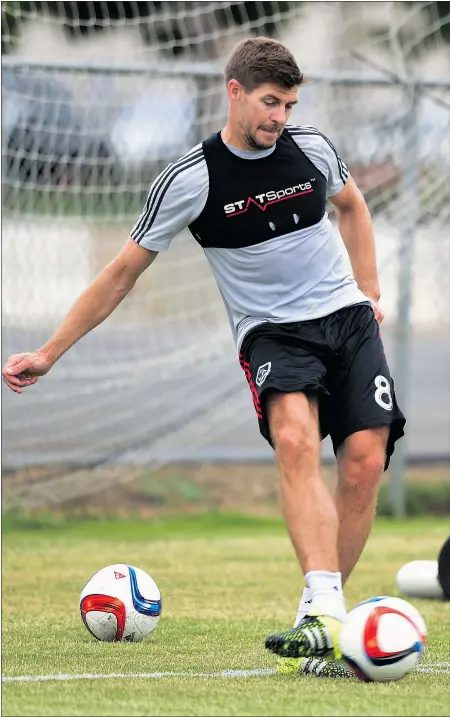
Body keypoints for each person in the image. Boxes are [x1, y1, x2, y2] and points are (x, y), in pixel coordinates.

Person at [2, 37, 405, 679]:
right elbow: (119, 273)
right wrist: (49, 353)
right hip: (273, 334)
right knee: (296, 440)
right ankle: (329, 610)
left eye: (290, 104)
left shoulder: (314, 149)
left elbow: (352, 207)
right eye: (270, 102)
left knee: (363, 461)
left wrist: (372, 291)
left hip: (347, 320)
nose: (280, 117)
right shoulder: (191, 178)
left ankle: (318, 613)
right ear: (235, 91)